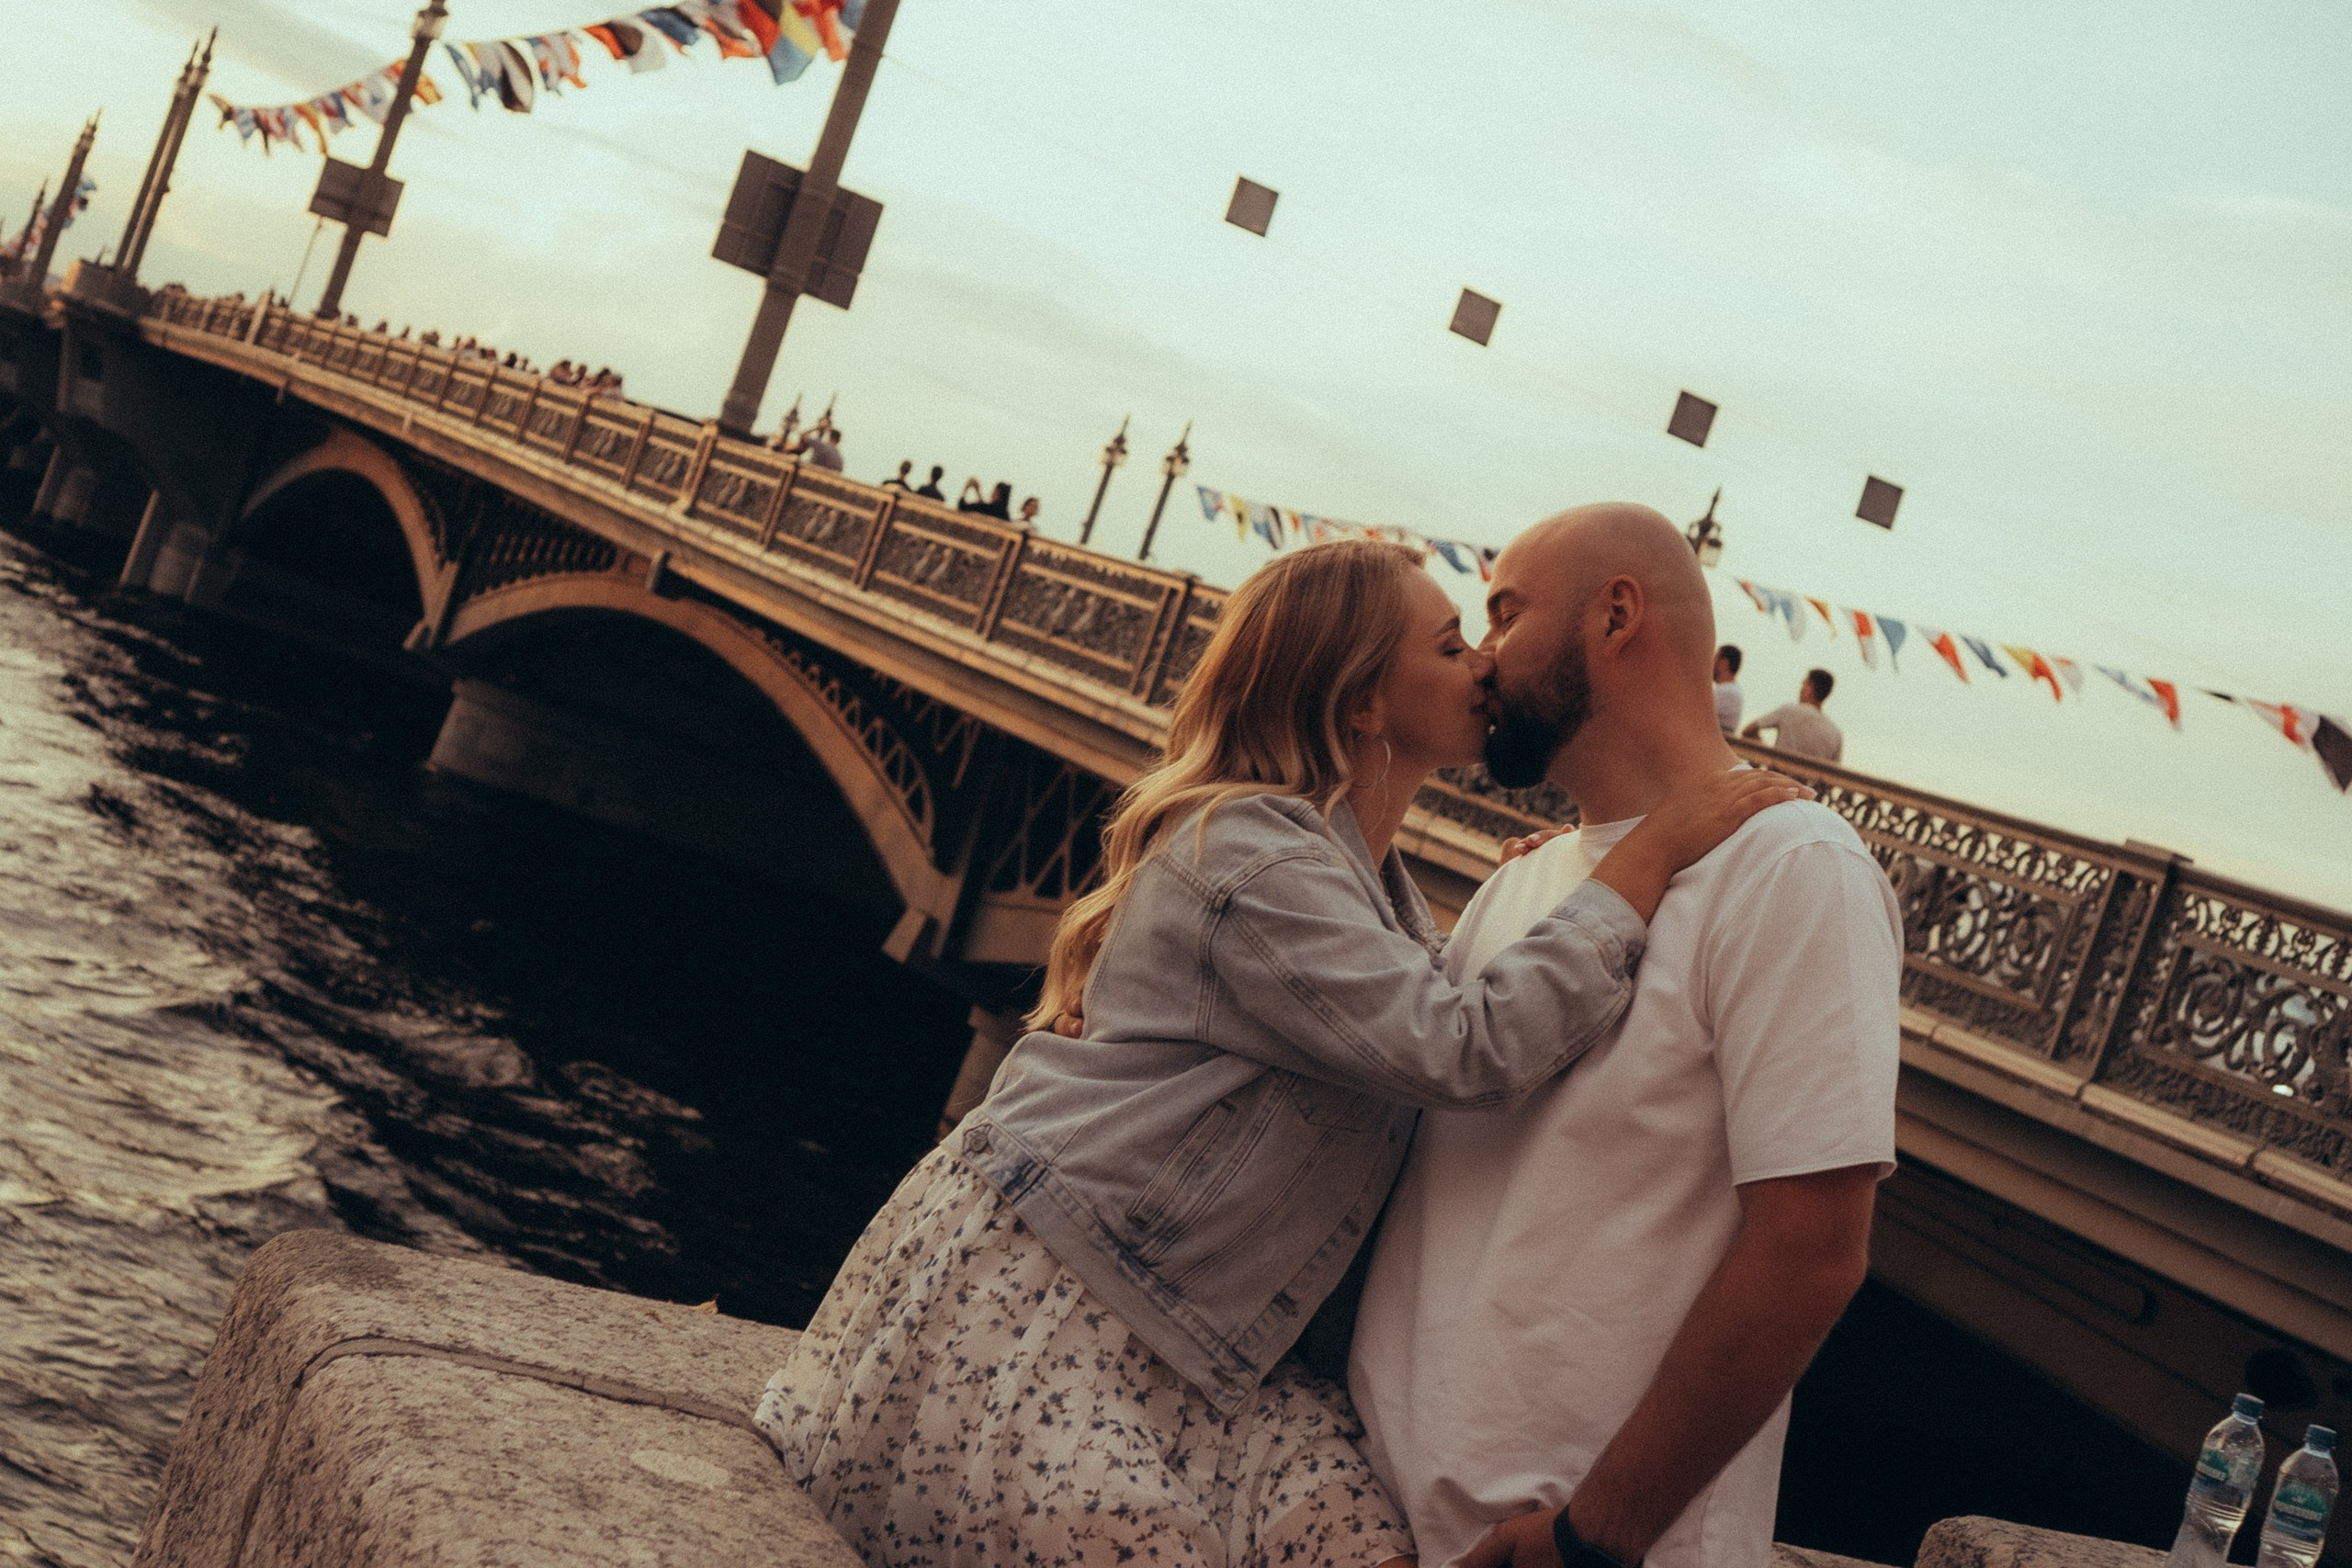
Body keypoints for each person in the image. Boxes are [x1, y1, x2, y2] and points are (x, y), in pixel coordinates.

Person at [755, 539, 1804, 1568]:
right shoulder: (1251, 856)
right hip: (1057, 1306)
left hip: (1206, 1346)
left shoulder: (1372, 886)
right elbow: (1462, 1047)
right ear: (1359, 701)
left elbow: (1423, 1017)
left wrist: (1571, 881)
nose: (1483, 663)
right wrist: (1644, 855)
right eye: (1450, 645)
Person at [1349, 504, 1901, 1568]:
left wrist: (1596, 1537)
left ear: (1614, 615)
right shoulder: (1524, 878)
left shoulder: (1791, 871)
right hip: (1378, 1517)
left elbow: (1811, 1252)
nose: (1481, 657)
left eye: (1504, 614)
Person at [1742, 668, 1842, 763]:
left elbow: (1748, 730)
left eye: (1804, 684)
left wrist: (1765, 752)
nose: (1801, 689)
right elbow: (1834, 776)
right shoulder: (1836, 735)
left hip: (1776, 779)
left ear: (1809, 688)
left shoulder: (1789, 711)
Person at [1713, 644, 1743, 731]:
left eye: (1714, 659)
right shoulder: (1731, 691)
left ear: (1724, 663)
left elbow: (1692, 712)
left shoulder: (1727, 692)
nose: (1710, 664)